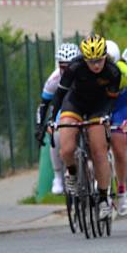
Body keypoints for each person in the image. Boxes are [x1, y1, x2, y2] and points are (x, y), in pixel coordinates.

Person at [41, 34, 122, 220]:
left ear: (105, 56)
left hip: (98, 107)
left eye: (99, 60)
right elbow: (59, 96)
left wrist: (105, 117)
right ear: (84, 59)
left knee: (99, 151)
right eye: (91, 61)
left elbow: (111, 99)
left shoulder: (112, 71)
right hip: (74, 103)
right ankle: (71, 173)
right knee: (66, 147)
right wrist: (52, 120)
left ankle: (103, 198)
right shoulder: (74, 67)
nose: (96, 65)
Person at [35, 43, 81, 195]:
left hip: (84, 108)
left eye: (70, 66)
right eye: (63, 67)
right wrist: (39, 126)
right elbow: (43, 105)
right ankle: (58, 177)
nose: (66, 70)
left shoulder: (85, 75)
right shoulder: (54, 79)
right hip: (63, 110)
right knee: (54, 133)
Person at [105, 40, 127, 217]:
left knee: (119, 146)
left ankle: (122, 189)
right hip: (101, 104)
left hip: (121, 106)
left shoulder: (122, 70)